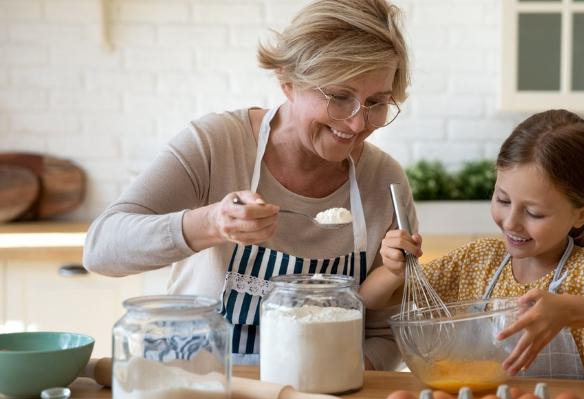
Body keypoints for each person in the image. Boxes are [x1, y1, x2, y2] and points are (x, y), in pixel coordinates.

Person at [83, 0, 417, 368]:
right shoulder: (216, 144)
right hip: (197, 388)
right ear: (288, 82)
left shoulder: (384, 182)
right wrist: (211, 223)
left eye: (376, 103)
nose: (356, 124)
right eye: (339, 97)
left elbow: (387, 332)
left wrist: (336, 377)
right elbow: (102, 248)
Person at [359, 109, 584, 379]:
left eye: (534, 212)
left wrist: (569, 311)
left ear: (583, 214)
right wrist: (393, 269)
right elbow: (370, 299)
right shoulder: (476, 262)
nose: (512, 222)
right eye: (503, 200)